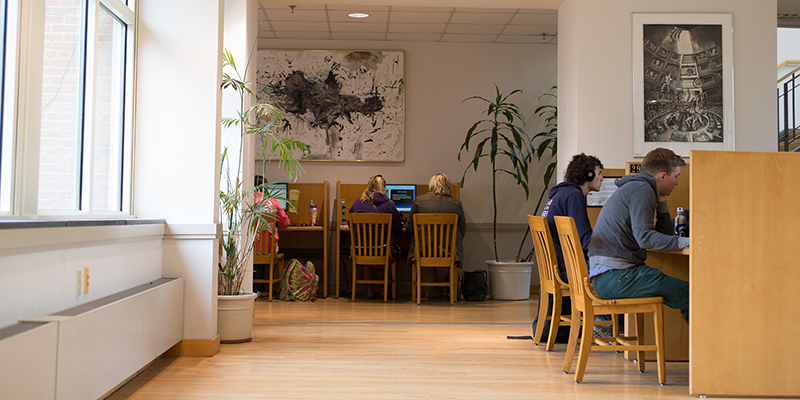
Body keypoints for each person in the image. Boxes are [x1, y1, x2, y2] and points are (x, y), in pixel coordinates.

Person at [588, 147, 690, 323]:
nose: (677, 183)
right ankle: (705, 350)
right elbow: (646, 238)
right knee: (691, 295)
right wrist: (687, 242)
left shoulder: (641, 189)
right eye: (676, 176)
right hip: (616, 276)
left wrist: (661, 201)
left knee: (688, 293)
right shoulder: (641, 190)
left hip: (609, 276)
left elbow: (663, 234)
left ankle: (701, 350)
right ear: (663, 176)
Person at [533, 153, 604, 343]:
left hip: (555, 268)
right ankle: (605, 328)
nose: (602, 178)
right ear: (588, 175)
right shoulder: (574, 196)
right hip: (567, 270)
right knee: (613, 273)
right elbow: (584, 240)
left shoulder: (560, 193)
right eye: (599, 173)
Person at [403, 173, 467, 300]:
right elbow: (463, 230)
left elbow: (410, 229)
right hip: (447, 252)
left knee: (424, 256)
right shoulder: (456, 204)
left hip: (423, 251)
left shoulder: (419, 201)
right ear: (448, 186)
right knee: (443, 257)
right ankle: (441, 290)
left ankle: (430, 292)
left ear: (431, 185)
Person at [349, 175, 402, 299]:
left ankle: (369, 290)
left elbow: (351, 225)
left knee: (366, 250)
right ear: (384, 188)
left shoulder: (357, 203)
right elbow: (398, 230)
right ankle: (386, 289)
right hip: (382, 249)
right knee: (390, 251)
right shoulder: (389, 205)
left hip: (360, 249)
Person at [252, 176, 291, 296]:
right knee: (270, 249)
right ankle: (266, 287)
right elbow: (285, 224)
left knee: (257, 250)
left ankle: (255, 287)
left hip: (251, 248)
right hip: (270, 248)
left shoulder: (248, 200)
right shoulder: (273, 201)